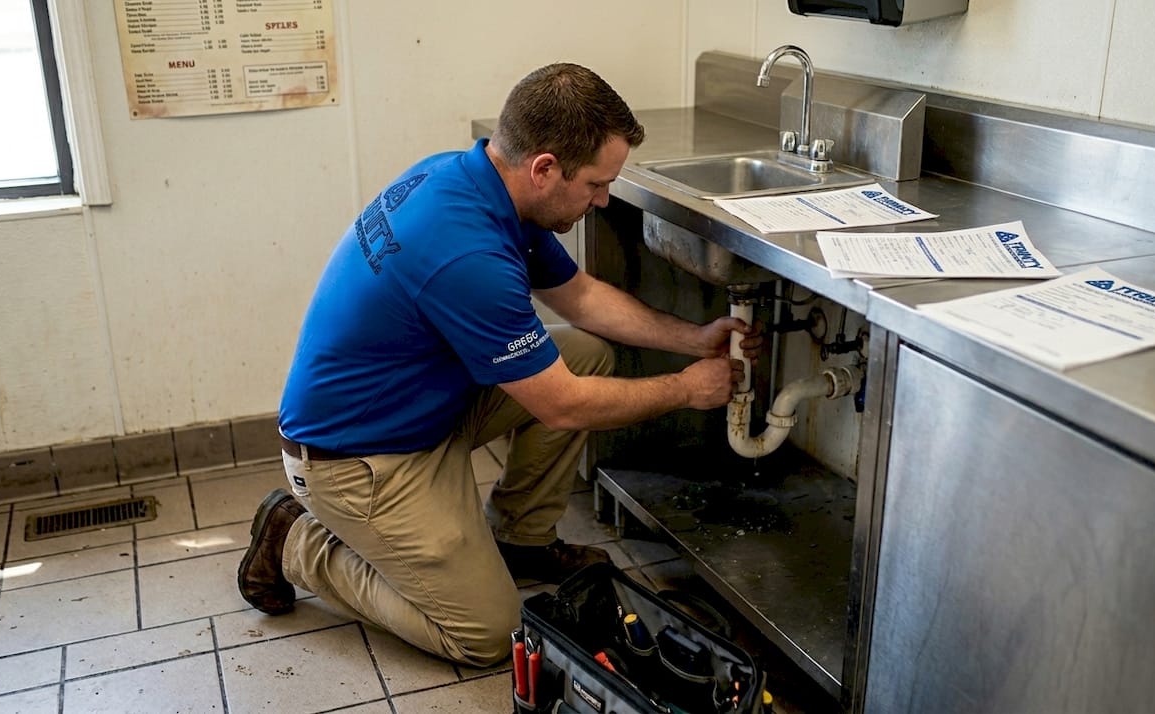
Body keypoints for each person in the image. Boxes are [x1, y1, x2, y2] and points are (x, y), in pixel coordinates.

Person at [237, 62, 762, 667]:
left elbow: (581, 298)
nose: (603, 200)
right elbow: (560, 406)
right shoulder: (465, 253)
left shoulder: (475, 181)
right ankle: (295, 542)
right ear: (544, 169)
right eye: (595, 184)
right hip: (357, 460)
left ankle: (521, 539)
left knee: (584, 356)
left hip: (416, 410)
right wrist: (688, 389)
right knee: (486, 634)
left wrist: (695, 339)